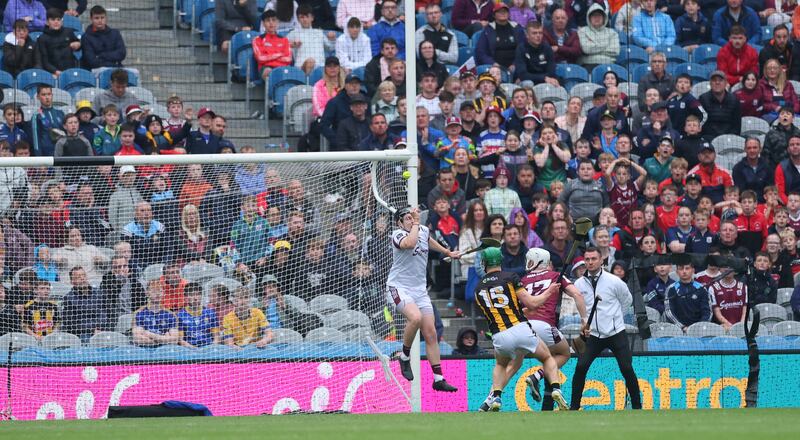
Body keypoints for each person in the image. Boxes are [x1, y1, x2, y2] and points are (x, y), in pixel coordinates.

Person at [473, 247, 568, 412]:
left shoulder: (478, 289)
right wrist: (549, 292)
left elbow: (498, 310)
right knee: (547, 358)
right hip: (521, 329)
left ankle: (496, 396)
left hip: (500, 334)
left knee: (501, 365)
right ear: (501, 261)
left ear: (484, 263)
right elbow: (532, 303)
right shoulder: (511, 277)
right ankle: (556, 389)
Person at [388, 206, 460, 392]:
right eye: (407, 218)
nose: (412, 220)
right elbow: (411, 243)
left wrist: (447, 252)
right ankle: (404, 357)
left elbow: (428, 239)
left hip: (419, 290)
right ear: (399, 223)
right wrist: (417, 224)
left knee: (431, 333)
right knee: (416, 318)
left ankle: (438, 378)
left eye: (413, 217)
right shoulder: (397, 235)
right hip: (399, 287)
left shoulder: (423, 230)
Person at [512, 248, 587, 409]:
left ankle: (494, 396)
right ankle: (541, 379)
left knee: (543, 358)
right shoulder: (555, 276)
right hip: (544, 326)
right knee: (564, 353)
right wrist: (584, 320)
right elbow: (577, 295)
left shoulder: (522, 280)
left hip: (522, 328)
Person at [570, 247, 642, 410]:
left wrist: (615, 319)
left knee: (626, 368)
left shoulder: (614, 281)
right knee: (581, 367)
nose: (590, 262)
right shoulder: (579, 283)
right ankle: (574, 408)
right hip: (593, 335)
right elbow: (579, 305)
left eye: (593, 258)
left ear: (601, 260)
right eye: (587, 259)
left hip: (615, 332)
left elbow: (627, 301)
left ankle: (638, 407)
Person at [60, 266, 107, 342]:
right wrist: (92, 329)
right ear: (72, 282)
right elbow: (69, 323)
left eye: (84, 275)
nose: (82, 278)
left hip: (102, 330)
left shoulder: (99, 293)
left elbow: (105, 313)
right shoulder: (68, 298)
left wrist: (100, 328)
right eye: (78, 277)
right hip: (82, 334)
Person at [664, 257, 712, 330]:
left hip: (699, 330)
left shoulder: (702, 288)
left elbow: (707, 312)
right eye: (681, 269)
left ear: (693, 270)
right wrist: (682, 327)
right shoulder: (671, 289)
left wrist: (699, 327)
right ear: (677, 272)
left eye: (687, 268)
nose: (684, 271)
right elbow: (669, 311)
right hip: (678, 330)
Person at [475, 2, 526, 70]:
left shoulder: (517, 28)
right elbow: (480, 52)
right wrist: (492, 63)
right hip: (494, 67)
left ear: (508, 14)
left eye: (505, 11)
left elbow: (524, 48)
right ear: (494, 15)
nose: (503, 13)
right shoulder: (488, 30)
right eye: (499, 11)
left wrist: (515, 64)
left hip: (516, 67)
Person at [287, 5, 335, 74]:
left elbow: (330, 48)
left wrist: (332, 39)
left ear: (312, 18)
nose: (305, 19)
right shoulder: (293, 33)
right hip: (301, 69)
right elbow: (282, 46)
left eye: (307, 16)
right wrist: (291, 45)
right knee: (310, 61)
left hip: (320, 68)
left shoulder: (319, 32)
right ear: (298, 19)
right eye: (302, 17)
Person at [81, 5, 126, 72]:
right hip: (96, 72)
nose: (100, 20)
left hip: (117, 70)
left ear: (106, 18)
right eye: (96, 18)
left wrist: (101, 55)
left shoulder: (115, 33)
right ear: (91, 19)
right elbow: (92, 62)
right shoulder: (86, 37)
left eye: (102, 17)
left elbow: (122, 53)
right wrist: (113, 62)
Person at [699, 70, 742, 138]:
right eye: (714, 80)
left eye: (720, 80)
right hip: (709, 137)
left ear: (726, 83)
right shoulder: (703, 99)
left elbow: (736, 126)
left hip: (729, 137)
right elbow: (702, 123)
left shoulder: (734, 100)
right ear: (710, 83)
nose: (717, 83)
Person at [514, 21, 558, 87]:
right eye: (534, 33)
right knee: (528, 83)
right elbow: (523, 75)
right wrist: (543, 78)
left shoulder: (547, 48)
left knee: (555, 83)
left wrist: (545, 78)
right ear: (527, 35)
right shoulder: (521, 49)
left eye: (540, 33)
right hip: (528, 82)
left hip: (545, 81)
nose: (538, 36)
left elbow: (551, 72)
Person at [177, 282, 220, 348]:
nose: (195, 298)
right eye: (191, 295)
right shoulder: (180, 315)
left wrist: (211, 348)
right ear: (185, 298)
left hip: (208, 348)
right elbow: (180, 340)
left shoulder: (210, 313)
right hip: (189, 349)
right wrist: (194, 349)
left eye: (198, 294)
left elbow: (216, 337)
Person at [252, 9, 292, 81]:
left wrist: (269, 56)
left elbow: (288, 59)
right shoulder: (257, 39)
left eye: (273, 20)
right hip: (266, 68)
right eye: (268, 20)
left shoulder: (285, 40)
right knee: (268, 71)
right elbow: (260, 58)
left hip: (282, 68)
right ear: (263, 23)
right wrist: (279, 54)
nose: (271, 23)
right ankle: (270, 92)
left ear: (277, 22)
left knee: (294, 73)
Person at [577, 3, 619, 69]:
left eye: (599, 15)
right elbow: (586, 49)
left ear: (604, 17)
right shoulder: (582, 31)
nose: (597, 18)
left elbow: (615, 51)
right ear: (589, 18)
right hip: (588, 64)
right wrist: (605, 45)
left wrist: (594, 46)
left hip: (609, 64)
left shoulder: (612, 32)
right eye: (594, 16)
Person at [708, 261, 747, 331]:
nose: (727, 269)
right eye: (724, 267)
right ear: (719, 269)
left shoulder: (743, 287)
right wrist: (728, 324)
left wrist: (741, 325)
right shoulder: (713, 288)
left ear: (735, 271)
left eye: (730, 267)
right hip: (723, 326)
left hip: (741, 326)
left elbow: (745, 309)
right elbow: (716, 311)